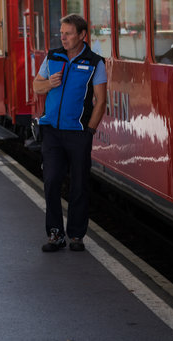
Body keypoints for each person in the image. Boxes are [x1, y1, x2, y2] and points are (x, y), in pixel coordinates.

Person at [32, 14, 107, 253]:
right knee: (51, 180)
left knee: (79, 185)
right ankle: (55, 234)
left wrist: (90, 131)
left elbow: (101, 101)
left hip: (78, 133)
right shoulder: (53, 57)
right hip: (52, 131)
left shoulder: (95, 62)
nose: (63, 38)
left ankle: (76, 235)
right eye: (61, 33)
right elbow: (36, 85)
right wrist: (49, 84)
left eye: (68, 33)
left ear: (82, 35)